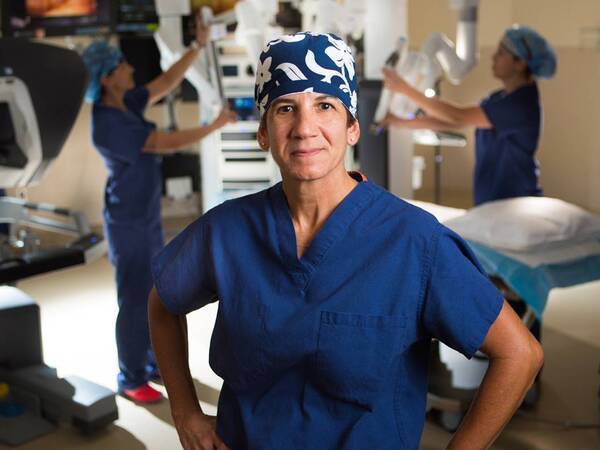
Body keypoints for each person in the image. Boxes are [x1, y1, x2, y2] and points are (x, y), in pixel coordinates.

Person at [148, 32, 543, 449]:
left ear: (352, 128)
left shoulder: (413, 241)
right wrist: (186, 413)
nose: (305, 128)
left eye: (325, 106)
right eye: (285, 108)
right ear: (264, 132)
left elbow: (520, 354)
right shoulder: (226, 231)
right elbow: (162, 302)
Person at [82, 15, 236, 404]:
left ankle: (150, 363)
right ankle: (131, 376)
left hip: (145, 217)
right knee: (134, 300)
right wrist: (214, 125)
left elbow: (166, 83)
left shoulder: (126, 101)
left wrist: (197, 47)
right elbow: (164, 142)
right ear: (106, 78)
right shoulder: (107, 123)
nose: (130, 67)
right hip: (128, 223)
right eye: (122, 65)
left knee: (154, 292)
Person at [379, 25, 557, 206]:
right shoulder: (500, 97)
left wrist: (404, 89)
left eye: (502, 53)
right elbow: (452, 122)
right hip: (494, 201)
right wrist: (398, 122)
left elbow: (458, 117)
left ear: (520, 63)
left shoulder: (519, 104)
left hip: (514, 201)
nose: (494, 57)